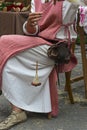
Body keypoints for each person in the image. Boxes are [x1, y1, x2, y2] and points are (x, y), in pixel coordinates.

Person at [0, 0, 86, 129]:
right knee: (9, 59)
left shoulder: (70, 1)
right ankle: (17, 110)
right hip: (40, 43)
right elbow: (33, 31)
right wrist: (29, 24)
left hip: (57, 49)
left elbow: (83, 5)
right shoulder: (37, 0)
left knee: (3, 42)